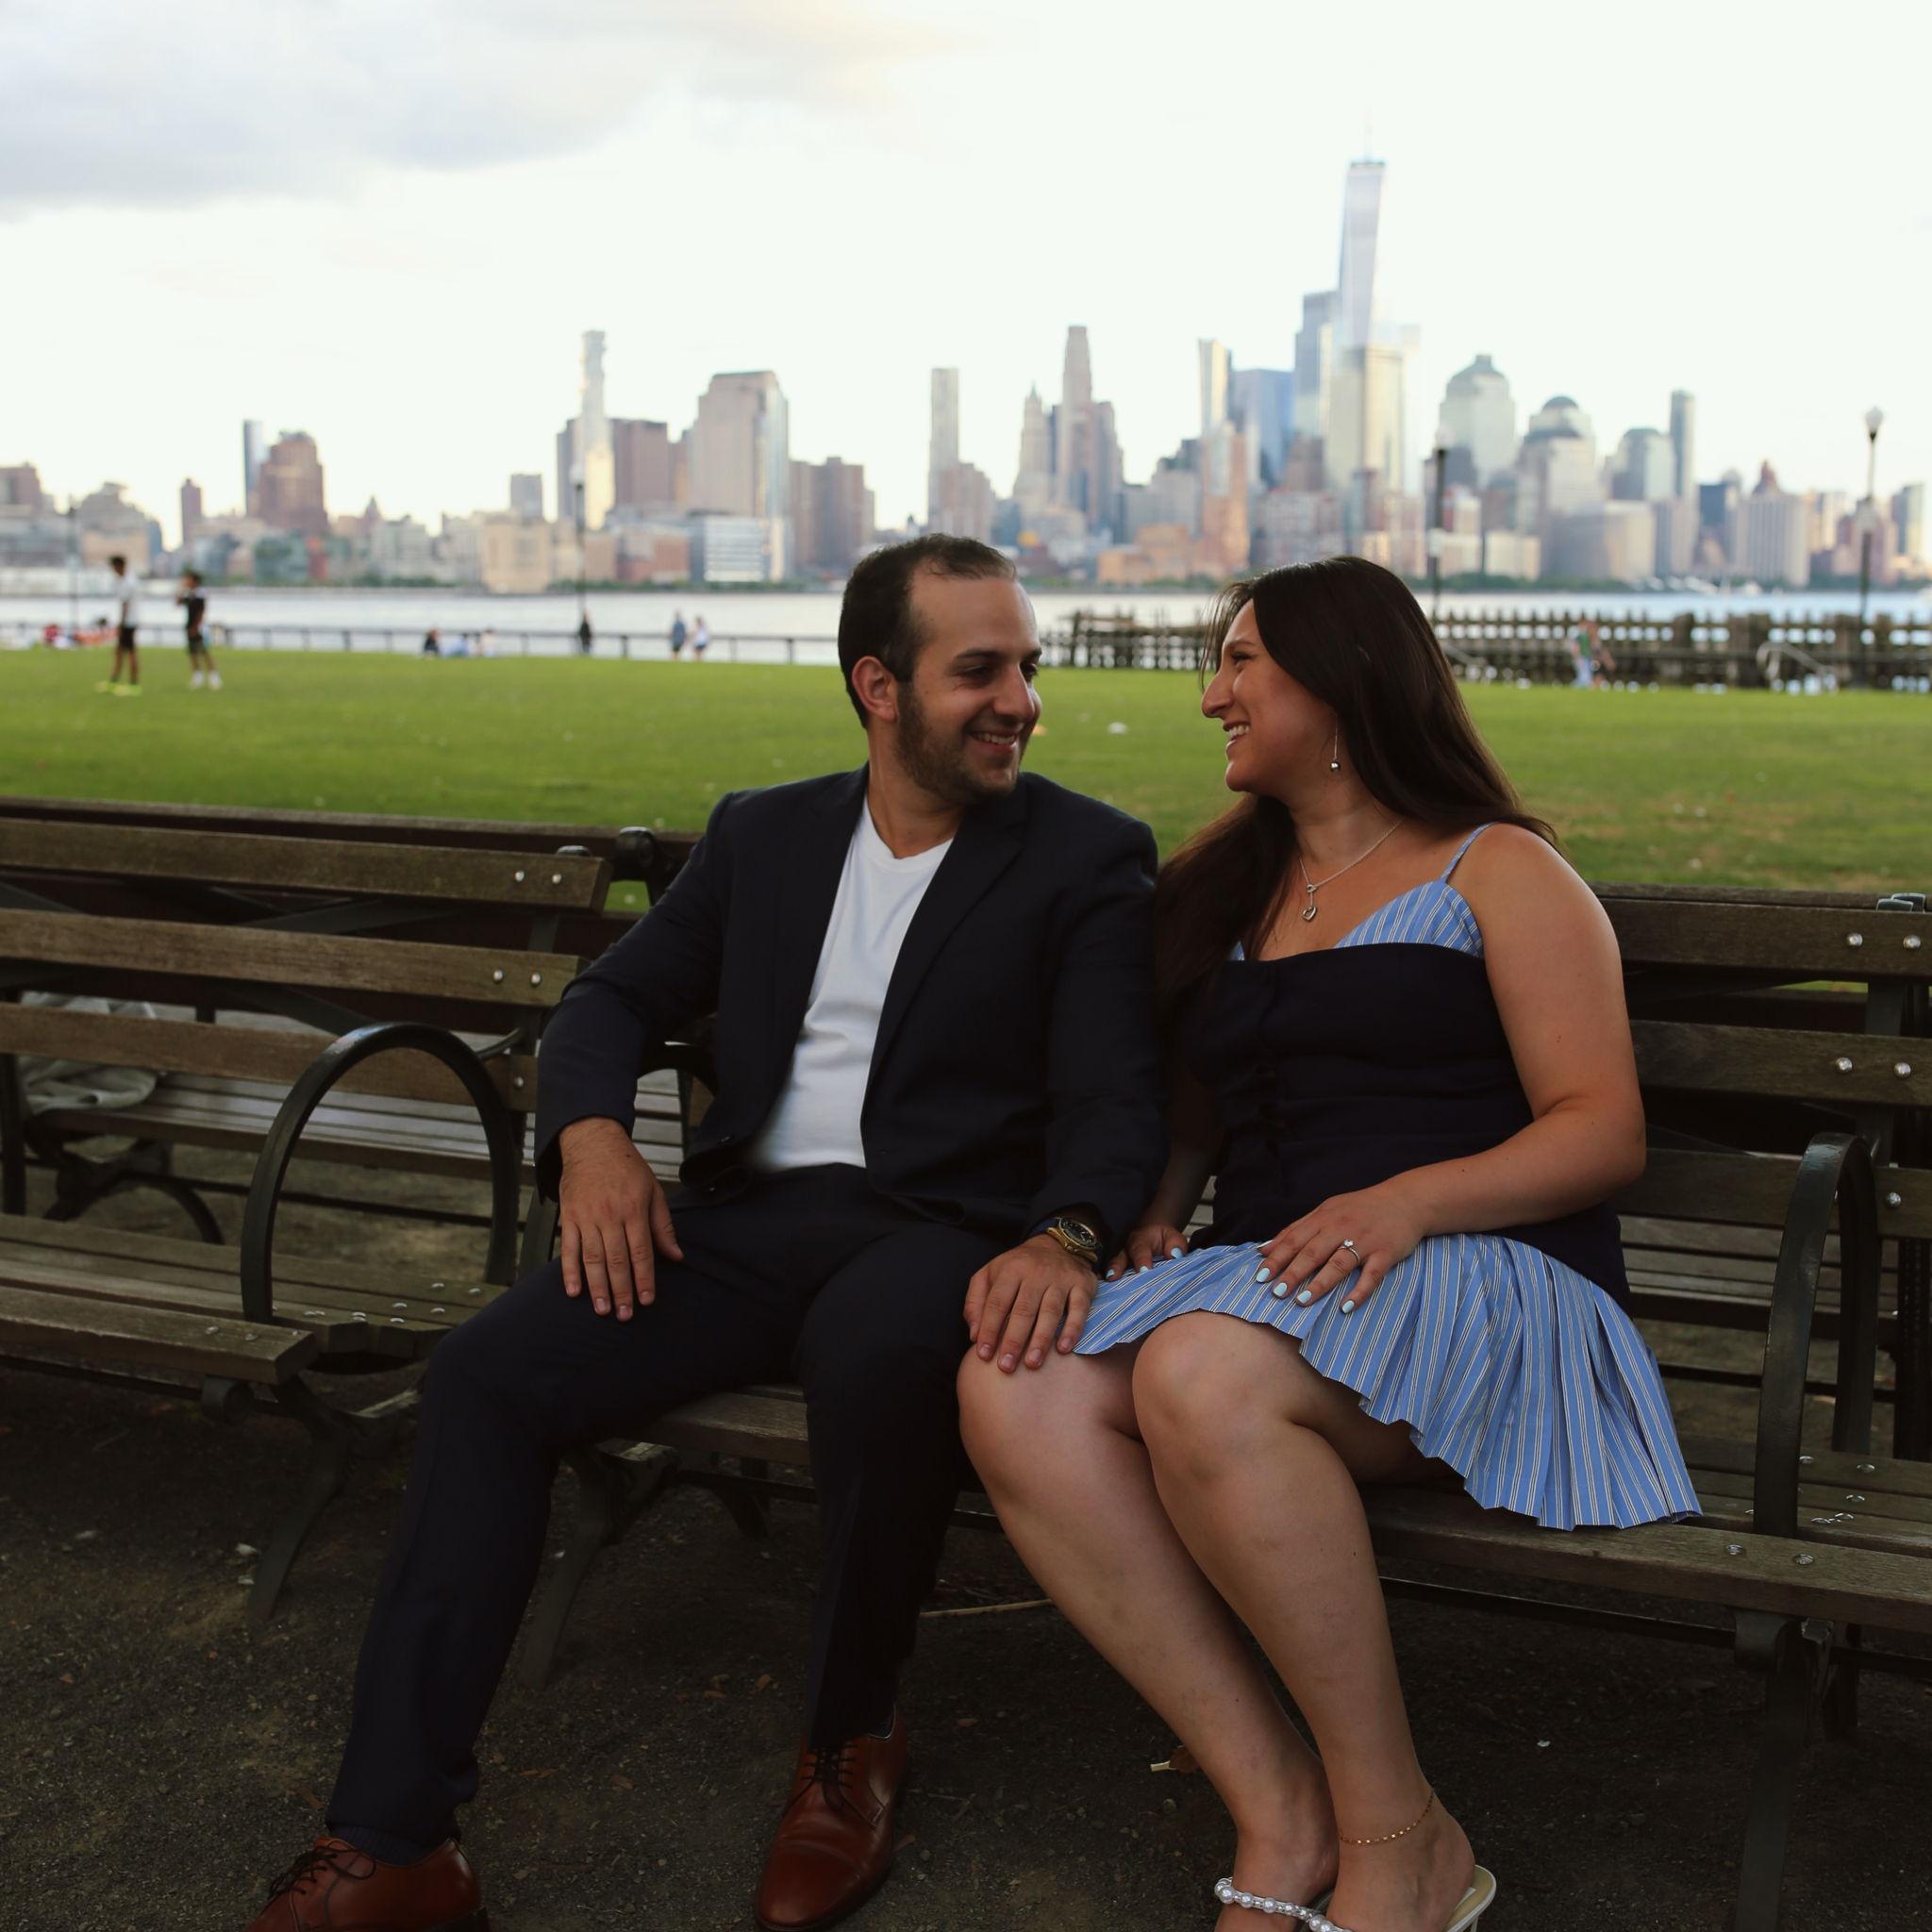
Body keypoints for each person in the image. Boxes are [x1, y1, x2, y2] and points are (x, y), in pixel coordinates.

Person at [244, 534, 1167, 1932]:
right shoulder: (766, 835)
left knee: (873, 1355)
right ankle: (394, 1840)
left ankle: (849, 1744)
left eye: (1026, 668)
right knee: (490, 1376)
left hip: (936, 1232)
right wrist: (595, 1140)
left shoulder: (1085, 857)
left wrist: (1070, 1233)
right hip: (744, 1223)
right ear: (878, 685)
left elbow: (1115, 1093)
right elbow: (609, 1004)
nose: (1020, 700)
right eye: (980, 669)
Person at [959, 557, 1697, 1932]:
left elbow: (1601, 1130)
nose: (1211, 698)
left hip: (1493, 1279)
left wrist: (1410, 1201)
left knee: (1198, 1374)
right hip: (1286, 1286)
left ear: (1343, 680)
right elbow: (1198, 1116)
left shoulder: (1502, 870)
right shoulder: (1230, 896)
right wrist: (1162, 1203)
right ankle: (1282, 1813)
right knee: (1014, 1380)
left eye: (1242, 664)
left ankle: (1401, 1839)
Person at [98, 555, 140, 693]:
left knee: (130, 653)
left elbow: (125, 606)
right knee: (119, 652)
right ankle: (114, 681)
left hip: (128, 623)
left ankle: (133, 685)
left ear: (119, 566)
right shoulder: (125, 581)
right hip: (128, 622)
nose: (113, 570)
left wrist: (121, 624)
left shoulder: (128, 582)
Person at [177, 571, 221, 689]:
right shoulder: (189, 594)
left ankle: (214, 677)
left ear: (194, 580)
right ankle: (197, 677)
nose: (186, 581)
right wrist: (182, 590)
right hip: (189, 626)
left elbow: (201, 612)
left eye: (188, 579)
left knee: (204, 653)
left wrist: (196, 627)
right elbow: (178, 603)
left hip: (199, 628)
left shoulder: (200, 594)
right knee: (192, 654)